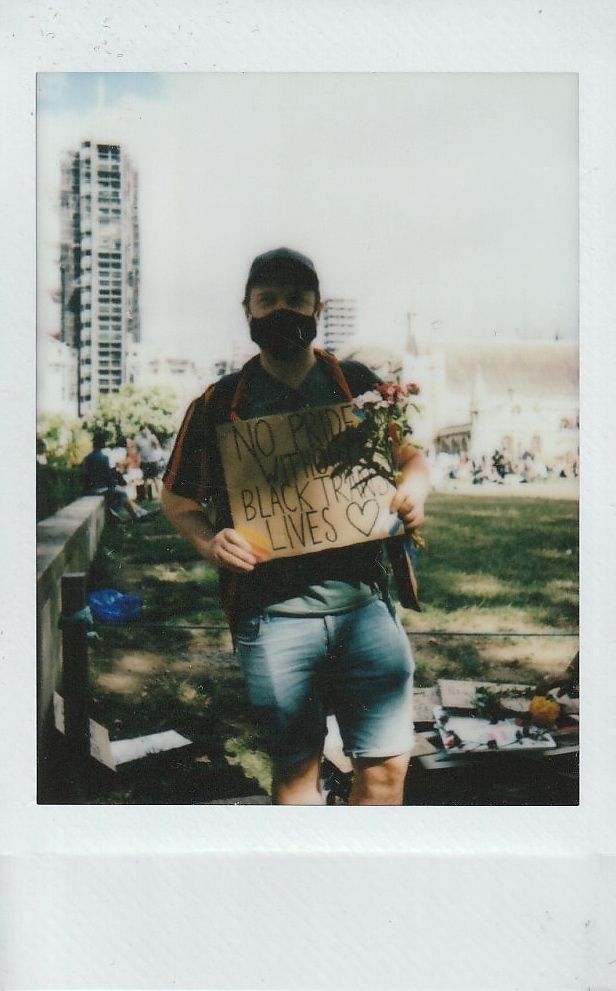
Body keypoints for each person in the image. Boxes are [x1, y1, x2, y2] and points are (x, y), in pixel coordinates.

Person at [161, 247, 430, 805]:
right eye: (268, 301)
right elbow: (178, 498)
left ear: (318, 308)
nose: (283, 311)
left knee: (385, 775)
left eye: (296, 301)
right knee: (296, 781)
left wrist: (414, 490)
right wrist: (212, 541)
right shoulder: (218, 404)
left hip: (365, 608)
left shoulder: (356, 383)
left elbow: (412, 457)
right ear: (248, 310)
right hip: (274, 619)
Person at [83, 432, 148, 521]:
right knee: (121, 492)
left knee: (119, 491)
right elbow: (108, 477)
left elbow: (86, 476)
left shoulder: (87, 458)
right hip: (100, 490)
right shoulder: (103, 458)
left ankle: (139, 512)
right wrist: (114, 485)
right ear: (102, 444)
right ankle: (135, 515)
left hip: (91, 490)